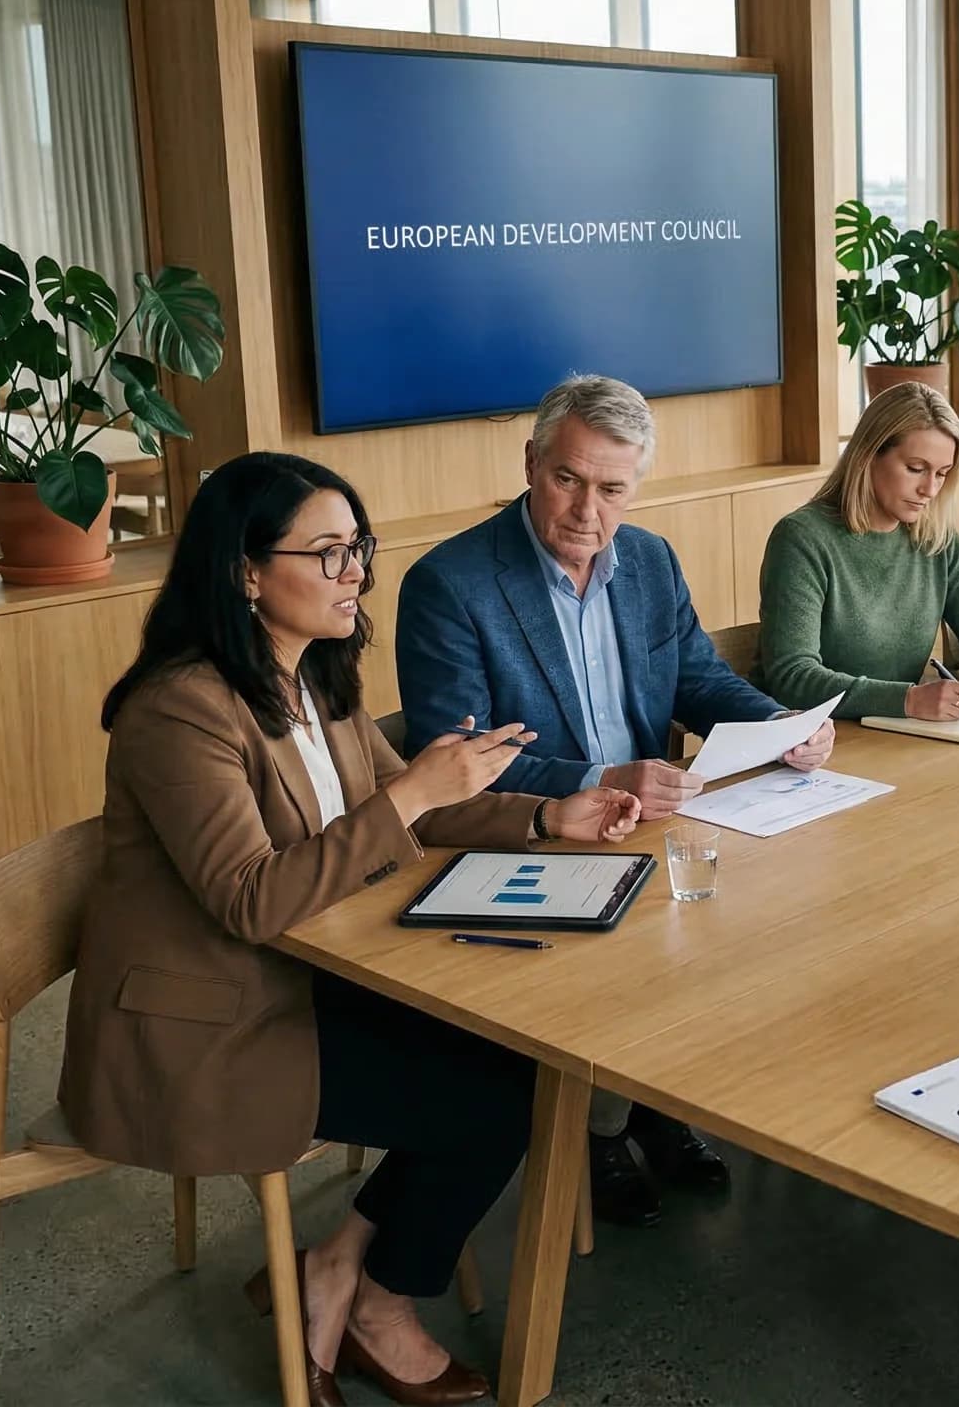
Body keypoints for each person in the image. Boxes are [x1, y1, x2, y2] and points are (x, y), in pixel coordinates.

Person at [66, 453, 644, 1406]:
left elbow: (403, 811)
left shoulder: (313, 679)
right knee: (493, 1099)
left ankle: (336, 1267)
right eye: (329, 553)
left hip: (310, 978)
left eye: (359, 549)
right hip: (208, 1028)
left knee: (525, 1063)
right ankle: (379, 1303)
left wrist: (547, 818)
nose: (356, 575)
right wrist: (417, 787)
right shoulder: (180, 709)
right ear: (246, 572)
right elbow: (251, 897)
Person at [396, 375, 831, 1229]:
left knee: (766, 909)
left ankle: (653, 1104)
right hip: (526, 840)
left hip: (647, 826)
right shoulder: (451, 583)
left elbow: (698, 679)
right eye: (568, 479)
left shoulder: (652, 562)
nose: (587, 511)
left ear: (637, 487)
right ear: (531, 464)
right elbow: (453, 763)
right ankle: (587, 1131)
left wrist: (783, 724)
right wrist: (597, 780)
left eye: (613, 489)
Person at [758, 380, 959, 720]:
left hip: (899, 737)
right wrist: (908, 700)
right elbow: (792, 677)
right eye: (915, 469)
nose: (929, 489)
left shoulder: (934, 537)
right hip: (813, 744)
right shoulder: (801, 539)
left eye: (942, 474)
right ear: (869, 456)